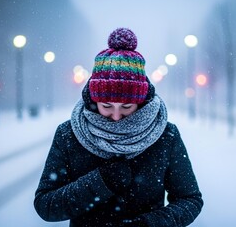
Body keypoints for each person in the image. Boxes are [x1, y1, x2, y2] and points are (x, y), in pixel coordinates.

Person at [34, 28, 203, 227]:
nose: (115, 116)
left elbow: (190, 200)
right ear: (92, 100)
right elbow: (46, 205)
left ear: (141, 102)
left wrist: (147, 224)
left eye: (126, 107)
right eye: (106, 106)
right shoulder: (69, 134)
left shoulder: (165, 135)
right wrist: (100, 182)